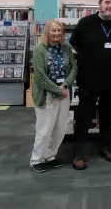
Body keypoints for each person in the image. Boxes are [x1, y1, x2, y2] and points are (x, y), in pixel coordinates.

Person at [69, 0, 111, 170]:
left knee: (108, 115)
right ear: (99, 4)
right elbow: (74, 43)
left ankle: (105, 147)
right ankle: (79, 152)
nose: (110, 6)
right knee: (84, 116)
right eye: (107, 2)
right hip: (89, 78)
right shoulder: (85, 23)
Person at [30, 19, 77, 173]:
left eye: (59, 31)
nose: (56, 33)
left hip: (63, 93)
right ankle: (36, 159)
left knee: (60, 128)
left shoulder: (66, 48)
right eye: (53, 30)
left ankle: (50, 156)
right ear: (47, 32)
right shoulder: (40, 50)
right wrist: (58, 90)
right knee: (44, 129)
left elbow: (74, 68)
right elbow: (40, 76)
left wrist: (65, 86)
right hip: (47, 94)